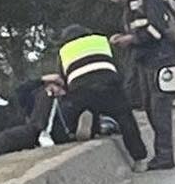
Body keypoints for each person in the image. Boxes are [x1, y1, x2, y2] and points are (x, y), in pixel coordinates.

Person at [107, 0, 175, 170]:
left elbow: (157, 31)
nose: (114, 0)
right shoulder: (131, 6)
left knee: (159, 107)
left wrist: (132, 39)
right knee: (148, 106)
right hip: (144, 61)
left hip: (159, 60)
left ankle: (165, 156)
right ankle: (161, 154)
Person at [56, 25, 149, 172]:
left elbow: (64, 79)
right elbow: (117, 67)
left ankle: (83, 124)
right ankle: (139, 159)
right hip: (108, 86)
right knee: (125, 119)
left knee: (76, 106)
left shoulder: (64, 51)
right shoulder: (101, 41)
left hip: (81, 91)